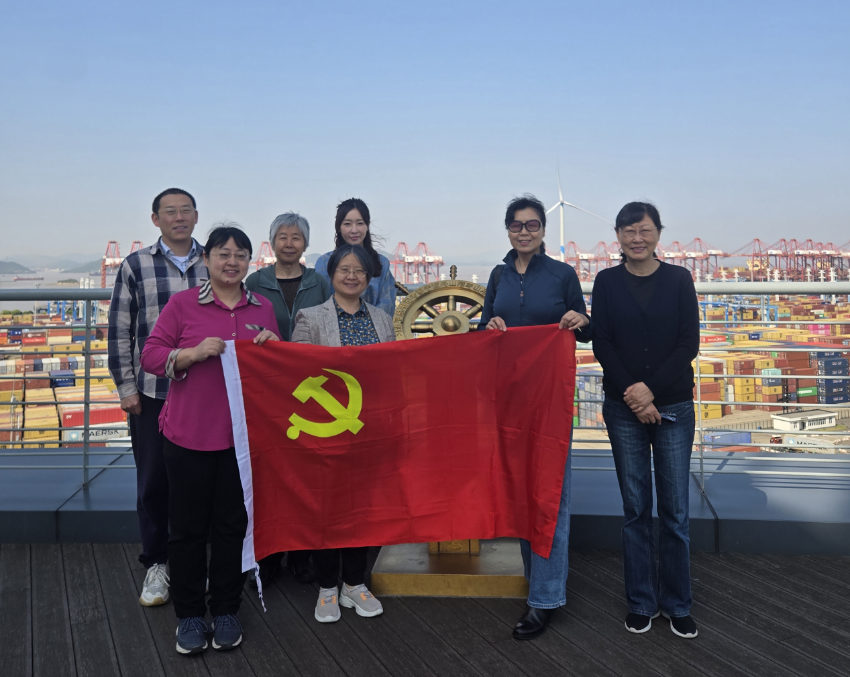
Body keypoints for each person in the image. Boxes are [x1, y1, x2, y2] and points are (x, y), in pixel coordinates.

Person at [140, 224, 280, 655]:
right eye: (223, 253)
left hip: (242, 441)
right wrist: (191, 354)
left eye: (240, 254)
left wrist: (275, 346)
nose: (231, 261)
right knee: (186, 529)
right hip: (188, 435)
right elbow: (151, 355)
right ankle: (188, 616)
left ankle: (226, 609)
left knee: (231, 527)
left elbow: (277, 369)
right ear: (207, 259)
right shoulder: (183, 305)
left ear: (250, 261)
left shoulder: (263, 307)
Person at [480, 194, 591, 640]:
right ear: (507, 229)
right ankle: (537, 585)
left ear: (544, 229)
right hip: (507, 401)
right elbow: (483, 328)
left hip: (549, 400)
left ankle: (544, 598)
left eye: (531, 225)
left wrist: (578, 320)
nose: (523, 232)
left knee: (551, 495)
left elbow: (586, 328)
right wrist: (490, 327)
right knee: (522, 494)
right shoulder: (498, 275)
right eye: (516, 225)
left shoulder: (563, 275)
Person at [591, 202, 700, 639]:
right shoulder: (606, 281)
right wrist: (636, 398)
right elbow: (602, 343)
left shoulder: (679, 279)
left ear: (658, 234)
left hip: (673, 406)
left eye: (645, 230)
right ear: (617, 236)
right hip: (623, 409)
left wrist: (649, 390)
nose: (637, 238)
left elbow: (688, 343)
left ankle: (677, 603)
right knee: (635, 509)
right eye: (629, 231)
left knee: (675, 511)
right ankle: (641, 601)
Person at [108, 188, 208, 607]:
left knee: (202, 480)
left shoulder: (214, 260)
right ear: (156, 219)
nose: (179, 217)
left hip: (205, 394)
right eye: (170, 211)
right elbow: (120, 329)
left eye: (186, 210)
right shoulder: (135, 265)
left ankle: (195, 561)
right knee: (153, 480)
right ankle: (156, 562)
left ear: (196, 216)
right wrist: (126, 388)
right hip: (153, 392)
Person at [291, 243, 395, 624]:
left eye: (359, 271)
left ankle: (354, 582)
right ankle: (326, 587)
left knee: (363, 509)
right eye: (344, 270)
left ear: (369, 278)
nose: (352, 276)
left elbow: (393, 372)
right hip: (328, 429)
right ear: (331, 274)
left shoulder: (382, 319)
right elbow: (297, 370)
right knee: (327, 509)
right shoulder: (310, 317)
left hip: (371, 431)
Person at [245, 212, 331, 585]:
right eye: (282, 236)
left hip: (312, 389)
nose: (289, 243)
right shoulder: (255, 282)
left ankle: (300, 554)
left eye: (296, 237)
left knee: (303, 472)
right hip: (267, 389)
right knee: (267, 471)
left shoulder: (319, 283)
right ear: (272, 242)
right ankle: (267, 555)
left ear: (305, 243)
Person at [313, 198, 396, 316]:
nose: (354, 230)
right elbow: (319, 304)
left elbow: (386, 307)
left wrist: (363, 323)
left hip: (374, 326)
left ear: (367, 226)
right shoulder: (324, 262)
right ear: (339, 227)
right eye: (347, 224)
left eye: (360, 223)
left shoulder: (382, 263)